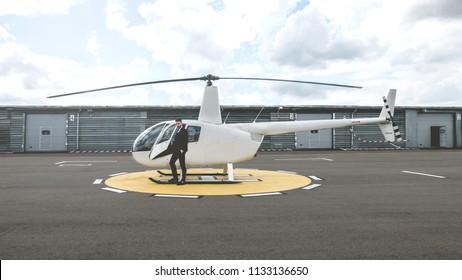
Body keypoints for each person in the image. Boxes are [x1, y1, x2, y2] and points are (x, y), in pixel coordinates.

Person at [169, 118, 189, 185]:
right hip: (176, 150)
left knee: (182, 165)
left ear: (181, 123)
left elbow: (185, 141)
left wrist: (182, 150)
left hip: (181, 150)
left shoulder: (184, 130)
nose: (177, 124)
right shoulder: (178, 130)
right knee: (171, 162)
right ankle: (175, 178)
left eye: (178, 123)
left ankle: (183, 180)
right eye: (176, 123)